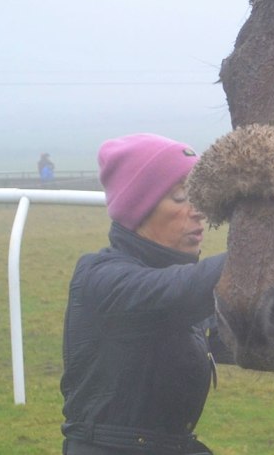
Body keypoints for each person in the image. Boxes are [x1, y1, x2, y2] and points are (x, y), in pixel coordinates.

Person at [60, 133, 226, 454]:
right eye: (180, 196)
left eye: (199, 196)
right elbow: (180, 291)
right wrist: (266, 249)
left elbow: (250, 331)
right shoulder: (100, 277)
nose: (199, 210)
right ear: (139, 208)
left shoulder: (171, 284)